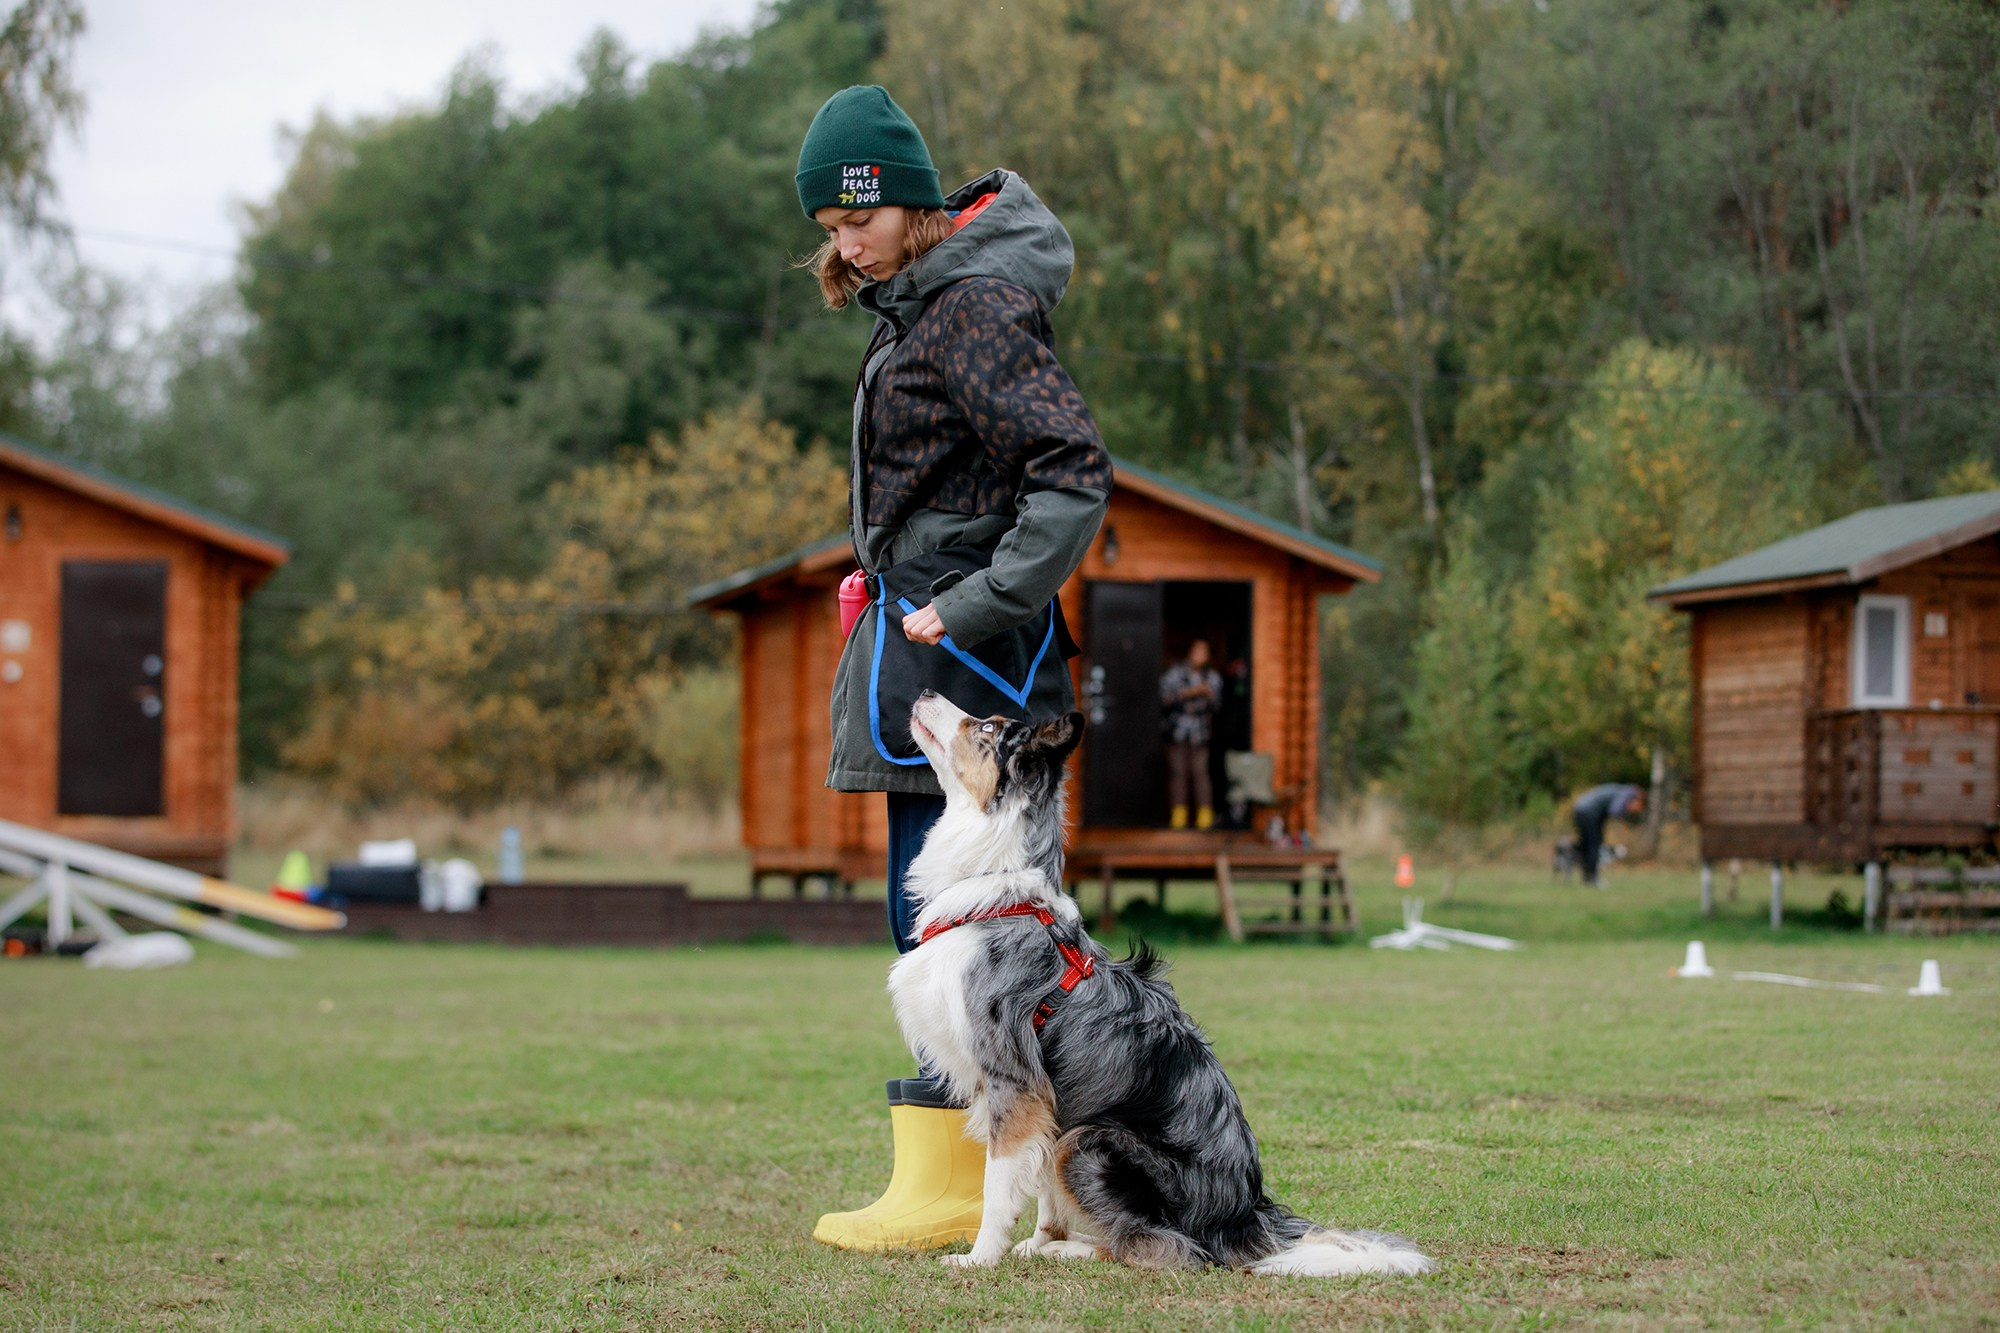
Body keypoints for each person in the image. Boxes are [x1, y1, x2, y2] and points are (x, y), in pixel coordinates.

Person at [797, 86, 1112, 1252]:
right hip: (921, 635)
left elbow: (1071, 475)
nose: (843, 244)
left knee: (981, 947)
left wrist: (971, 599)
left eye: (856, 219)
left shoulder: (972, 304)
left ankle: (983, 1192)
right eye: (828, 227)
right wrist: (877, 574)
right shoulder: (917, 305)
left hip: (977, 655)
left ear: (912, 203)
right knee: (932, 932)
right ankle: (959, 1182)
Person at [1159, 640, 1222, 830]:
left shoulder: (1212, 677)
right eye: (1197, 651)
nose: (1199, 655)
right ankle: (1179, 815)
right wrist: (1191, 693)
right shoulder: (1176, 673)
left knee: (1200, 773)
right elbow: (1164, 696)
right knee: (1178, 772)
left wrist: (1209, 695)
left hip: (1200, 733)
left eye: (1203, 652)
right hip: (1178, 730)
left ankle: (1205, 815)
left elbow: (1218, 705)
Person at [1571, 783, 1645, 888]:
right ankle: (1593, 879)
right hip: (1589, 813)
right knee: (1594, 845)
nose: (1634, 810)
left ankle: (1587, 877)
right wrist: (1624, 815)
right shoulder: (1626, 794)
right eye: (1637, 807)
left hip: (1580, 808)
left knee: (1587, 846)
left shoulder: (1620, 790)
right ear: (1638, 800)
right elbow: (1614, 810)